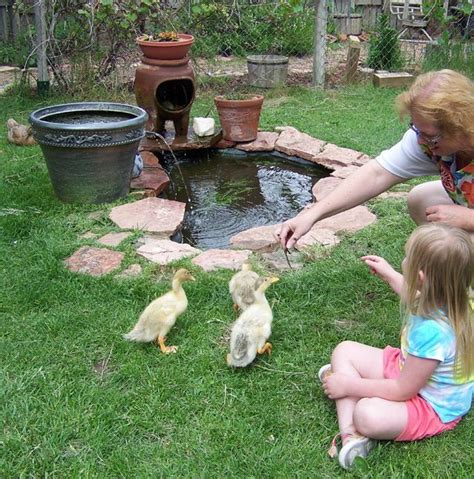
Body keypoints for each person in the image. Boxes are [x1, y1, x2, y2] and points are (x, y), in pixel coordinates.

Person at [318, 223, 473, 470]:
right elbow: (414, 297)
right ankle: (348, 400)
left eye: (407, 258)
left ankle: (351, 434)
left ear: (421, 278)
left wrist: (349, 385)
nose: (403, 261)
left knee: (366, 414)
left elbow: (403, 390)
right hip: (409, 369)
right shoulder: (456, 299)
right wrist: (389, 274)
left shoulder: (433, 333)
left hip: (431, 404)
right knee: (344, 349)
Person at [276, 69, 474, 249]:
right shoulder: (425, 141)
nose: (420, 140)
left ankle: (455, 266)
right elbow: (377, 174)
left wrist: (467, 219)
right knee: (421, 198)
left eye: (430, 135)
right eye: (416, 128)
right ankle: (454, 265)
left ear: (460, 126)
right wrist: (311, 216)